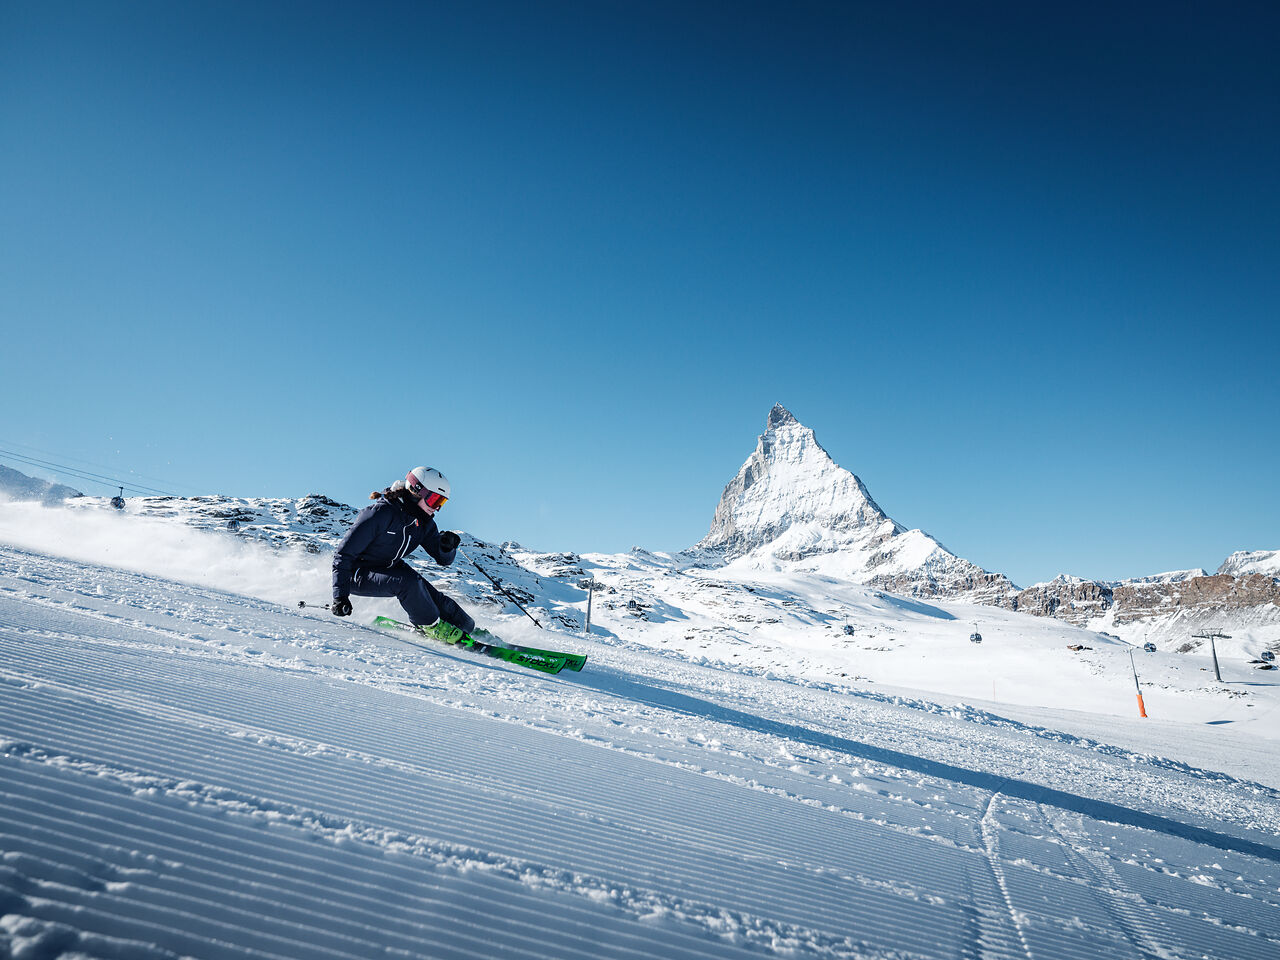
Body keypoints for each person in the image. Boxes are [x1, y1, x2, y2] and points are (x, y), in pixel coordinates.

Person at [330, 466, 476, 640]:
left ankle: (465, 627)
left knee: (450, 611)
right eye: (435, 500)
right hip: (357, 573)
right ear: (416, 491)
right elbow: (343, 555)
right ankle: (429, 626)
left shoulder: (424, 522)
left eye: (441, 503)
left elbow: (443, 560)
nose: (436, 508)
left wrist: (447, 547)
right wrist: (340, 596)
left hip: (390, 568)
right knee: (408, 583)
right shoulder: (379, 514)